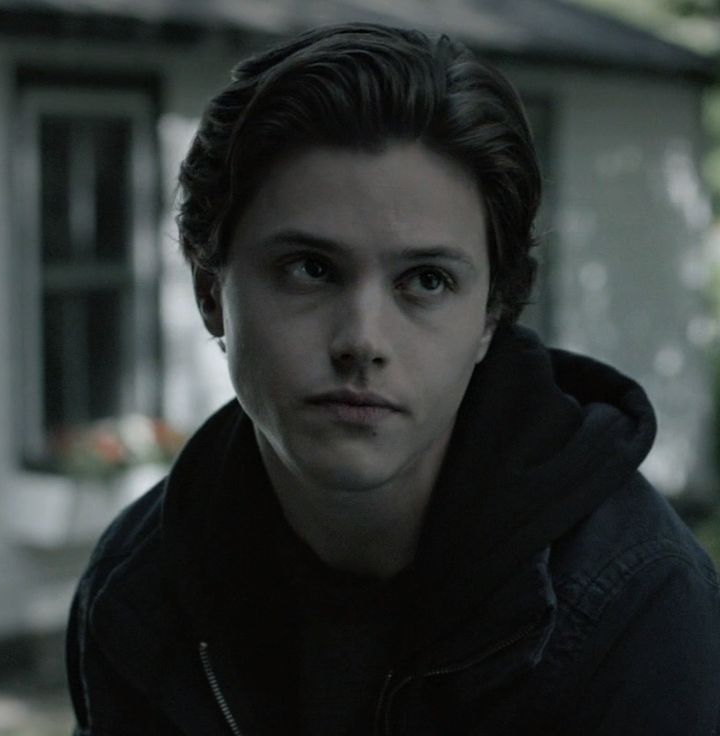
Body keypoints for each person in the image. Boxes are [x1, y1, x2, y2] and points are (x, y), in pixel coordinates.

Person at [66, 22, 720, 735]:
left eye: (426, 281)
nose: (362, 342)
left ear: (490, 319)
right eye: (310, 269)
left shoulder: (632, 603)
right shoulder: (140, 587)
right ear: (210, 290)